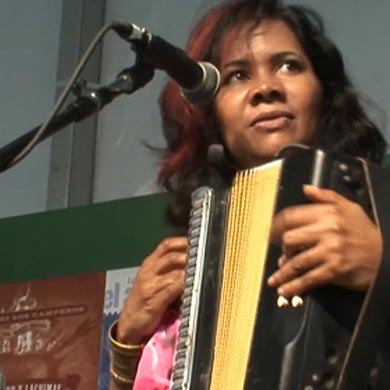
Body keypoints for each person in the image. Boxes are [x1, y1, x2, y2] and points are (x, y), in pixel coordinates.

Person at [108, 0, 388, 388]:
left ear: (323, 91)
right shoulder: (198, 254)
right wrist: (129, 343)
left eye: (290, 65)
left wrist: (382, 266)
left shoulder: (381, 206)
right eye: (237, 76)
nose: (266, 88)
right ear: (209, 113)